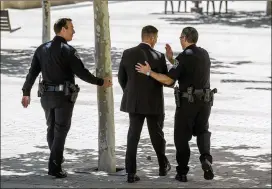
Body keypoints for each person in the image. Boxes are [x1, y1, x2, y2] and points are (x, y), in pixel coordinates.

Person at [21, 18, 112, 178]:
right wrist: (100, 82)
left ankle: (55, 157)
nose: (73, 31)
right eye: (71, 28)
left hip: (46, 96)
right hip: (63, 97)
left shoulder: (41, 49)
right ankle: (55, 166)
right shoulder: (68, 51)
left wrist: (26, 92)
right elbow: (82, 72)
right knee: (60, 131)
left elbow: (32, 73)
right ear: (63, 29)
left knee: (51, 128)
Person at [135, 27, 215, 182]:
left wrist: (148, 72)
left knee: (181, 137)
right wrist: (171, 60)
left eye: (180, 37)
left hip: (187, 103)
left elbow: (169, 80)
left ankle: (182, 172)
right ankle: (206, 158)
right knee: (203, 131)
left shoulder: (184, 57)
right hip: (205, 102)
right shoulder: (204, 54)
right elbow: (188, 69)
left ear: (184, 38)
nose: (180, 39)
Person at [118, 25, 171, 183]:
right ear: (152, 38)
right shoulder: (158, 56)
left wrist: (130, 92)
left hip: (134, 102)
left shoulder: (127, 53)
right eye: (156, 38)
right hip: (153, 103)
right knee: (157, 135)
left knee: (133, 136)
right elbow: (165, 80)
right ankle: (162, 166)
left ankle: (130, 173)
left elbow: (121, 77)